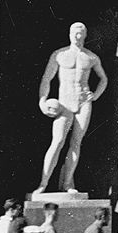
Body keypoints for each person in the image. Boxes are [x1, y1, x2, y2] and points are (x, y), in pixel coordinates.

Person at [36, 22, 108, 194]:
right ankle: (43, 183)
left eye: (80, 33)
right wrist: (42, 101)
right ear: (69, 34)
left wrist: (95, 95)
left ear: (85, 35)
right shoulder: (59, 55)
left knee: (76, 143)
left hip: (83, 102)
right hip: (65, 103)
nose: (77, 36)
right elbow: (47, 79)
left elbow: (103, 79)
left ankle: (68, 183)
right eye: (74, 33)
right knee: (57, 142)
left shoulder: (91, 57)